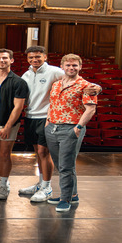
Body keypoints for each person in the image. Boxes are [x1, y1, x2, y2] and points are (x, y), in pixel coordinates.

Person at [19, 46, 101, 203]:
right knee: (39, 153)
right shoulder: (27, 74)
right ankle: (42, 184)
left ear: (45, 57)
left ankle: (48, 187)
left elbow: (83, 83)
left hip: (51, 119)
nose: (34, 60)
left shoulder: (54, 71)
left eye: (38, 56)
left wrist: (98, 87)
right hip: (34, 117)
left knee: (49, 155)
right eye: (31, 57)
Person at [44, 54, 98, 212]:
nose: (71, 68)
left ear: (80, 67)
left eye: (75, 65)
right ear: (62, 66)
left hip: (71, 128)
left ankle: (65, 199)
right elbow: (52, 104)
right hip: (52, 127)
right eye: (68, 65)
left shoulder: (86, 86)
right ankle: (73, 194)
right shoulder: (56, 84)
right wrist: (48, 121)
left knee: (66, 166)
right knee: (61, 165)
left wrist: (78, 128)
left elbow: (91, 109)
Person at [0, 49, 29, 201]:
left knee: (4, 153)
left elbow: (18, 107)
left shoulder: (18, 82)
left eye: (5, 58)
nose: (2, 60)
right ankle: (2, 180)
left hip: (7, 122)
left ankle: (4, 185)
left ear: (11, 60)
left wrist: (8, 126)